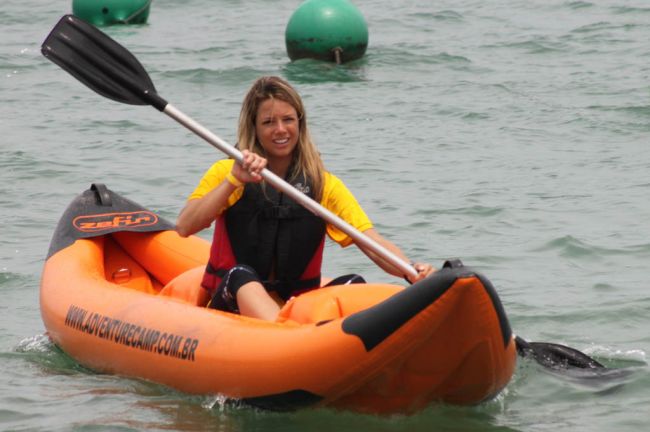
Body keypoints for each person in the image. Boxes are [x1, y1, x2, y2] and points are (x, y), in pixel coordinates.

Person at [176, 76, 434, 321]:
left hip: (296, 306)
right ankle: (283, 338)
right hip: (233, 304)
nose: (280, 130)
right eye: (268, 122)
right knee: (240, 275)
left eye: (288, 119)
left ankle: (310, 339)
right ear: (254, 128)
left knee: (353, 284)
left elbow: (371, 242)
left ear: (300, 123)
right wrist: (234, 181)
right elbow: (185, 226)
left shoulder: (323, 185)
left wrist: (411, 271)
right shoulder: (229, 172)